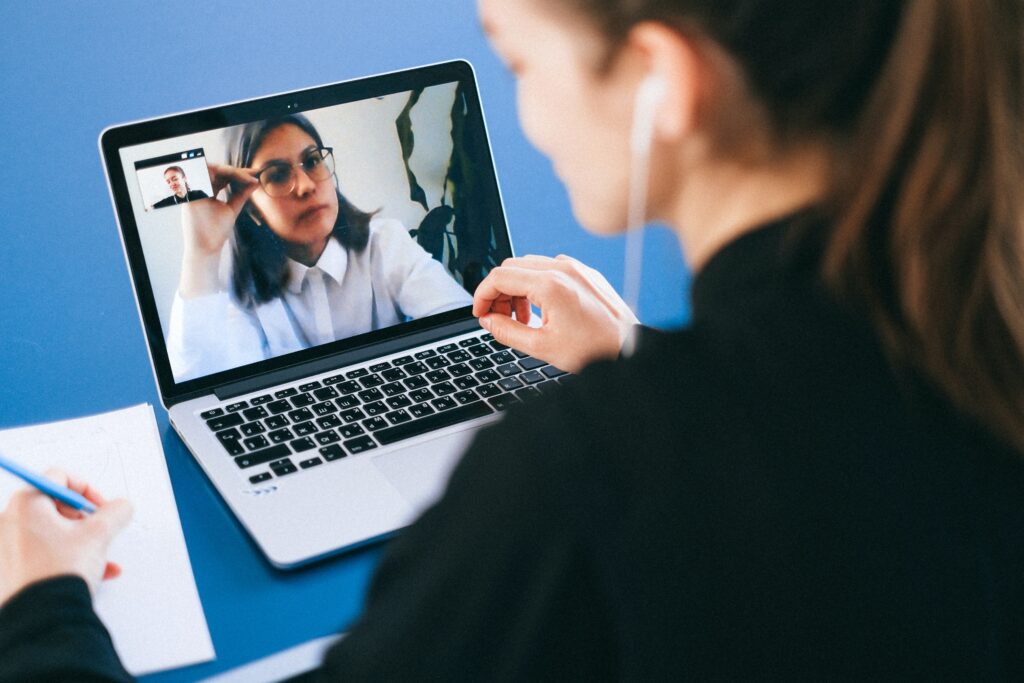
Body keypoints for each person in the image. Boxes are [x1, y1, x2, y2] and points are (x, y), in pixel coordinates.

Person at [2, 0, 1023, 679]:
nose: (524, 110)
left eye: (521, 62)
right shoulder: (972, 324)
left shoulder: (564, 481)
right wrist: (641, 363)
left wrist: (40, 605)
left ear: (660, 81)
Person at [164, 114, 472, 381]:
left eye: (312, 161)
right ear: (252, 209)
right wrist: (201, 252)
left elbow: (464, 329)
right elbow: (204, 387)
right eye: (278, 175)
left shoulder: (385, 242)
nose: (307, 185)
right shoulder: (236, 284)